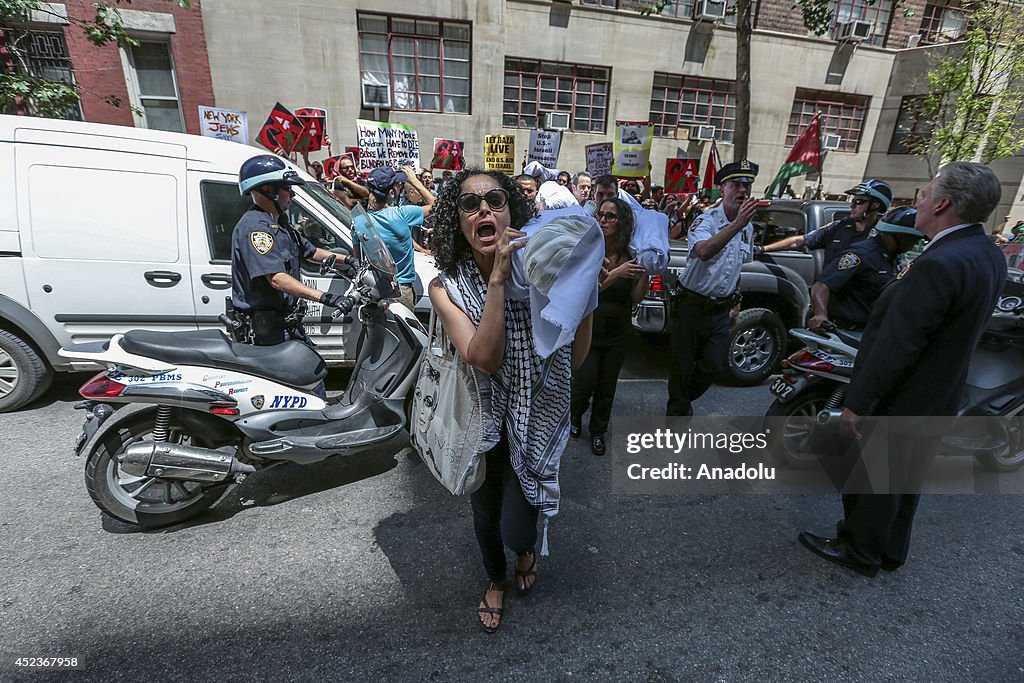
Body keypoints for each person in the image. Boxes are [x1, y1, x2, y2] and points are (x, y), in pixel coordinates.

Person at [798, 162, 1008, 577]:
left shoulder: (939, 262)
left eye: (926, 193)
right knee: (902, 479)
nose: (919, 201)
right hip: (938, 392)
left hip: (903, 393)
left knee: (871, 473)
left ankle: (859, 549)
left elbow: (898, 344)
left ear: (943, 203)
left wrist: (856, 405)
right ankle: (889, 548)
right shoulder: (987, 254)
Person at [428, 169, 592, 633]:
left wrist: (586, 293)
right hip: (480, 418)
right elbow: (483, 357)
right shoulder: (445, 287)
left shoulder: (541, 274)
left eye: (495, 200)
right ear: (456, 221)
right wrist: (498, 281)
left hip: (534, 414)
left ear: (510, 214)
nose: (483, 208)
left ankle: (522, 549)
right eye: (469, 203)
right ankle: (494, 580)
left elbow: (573, 358)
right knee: (485, 510)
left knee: (517, 524)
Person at [230, 154, 354, 345]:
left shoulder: (278, 223)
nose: (292, 194)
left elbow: (311, 252)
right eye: (287, 188)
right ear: (267, 189)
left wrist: (348, 260)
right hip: (269, 333)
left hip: (287, 325)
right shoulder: (256, 228)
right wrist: (326, 298)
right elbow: (277, 279)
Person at [667, 160, 759, 417]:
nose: (743, 190)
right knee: (682, 369)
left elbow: (737, 266)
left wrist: (736, 303)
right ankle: (675, 420)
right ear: (722, 189)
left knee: (712, 366)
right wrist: (736, 225)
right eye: (736, 185)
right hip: (691, 306)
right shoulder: (705, 220)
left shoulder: (747, 227)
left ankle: (682, 402)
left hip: (720, 311)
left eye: (747, 185)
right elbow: (704, 251)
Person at [571, 198, 648, 456]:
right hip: (589, 333)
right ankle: (574, 416)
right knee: (584, 383)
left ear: (623, 221)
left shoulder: (631, 254)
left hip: (618, 334)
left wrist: (643, 272)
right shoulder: (590, 250)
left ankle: (598, 432)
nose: (603, 220)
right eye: (601, 215)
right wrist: (616, 274)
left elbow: (636, 297)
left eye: (610, 216)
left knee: (607, 387)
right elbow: (583, 294)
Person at [808, 207, 925, 332]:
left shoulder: (895, 259)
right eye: (912, 240)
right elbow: (822, 285)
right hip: (845, 331)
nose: (913, 244)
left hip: (872, 330)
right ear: (899, 236)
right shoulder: (860, 255)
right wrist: (820, 314)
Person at [355, 166, 435, 311]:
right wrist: (415, 181)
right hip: (400, 291)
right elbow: (437, 205)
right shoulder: (402, 214)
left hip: (371, 291)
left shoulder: (358, 221)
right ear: (391, 192)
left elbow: (357, 260)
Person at [761, 179, 892, 265]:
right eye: (852, 201)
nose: (852, 206)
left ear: (875, 205)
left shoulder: (885, 237)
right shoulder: (839, 227)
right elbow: (799, 241)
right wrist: (762, 249)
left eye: (858, 202)